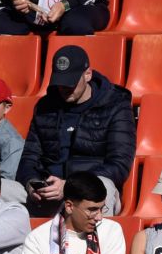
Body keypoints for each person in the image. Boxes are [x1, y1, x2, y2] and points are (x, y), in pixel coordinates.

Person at [13, 44, 133, 217]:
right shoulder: (45, 106)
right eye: (60, 83)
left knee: (103, 185)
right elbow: (29, 158)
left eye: (70, 83)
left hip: (89, 189)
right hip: (49, 192)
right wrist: (32, 184)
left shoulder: (116, 105)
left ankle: (96, 244)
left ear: (88, 75)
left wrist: (70, 185)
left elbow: (119, 165)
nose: (64, 89)